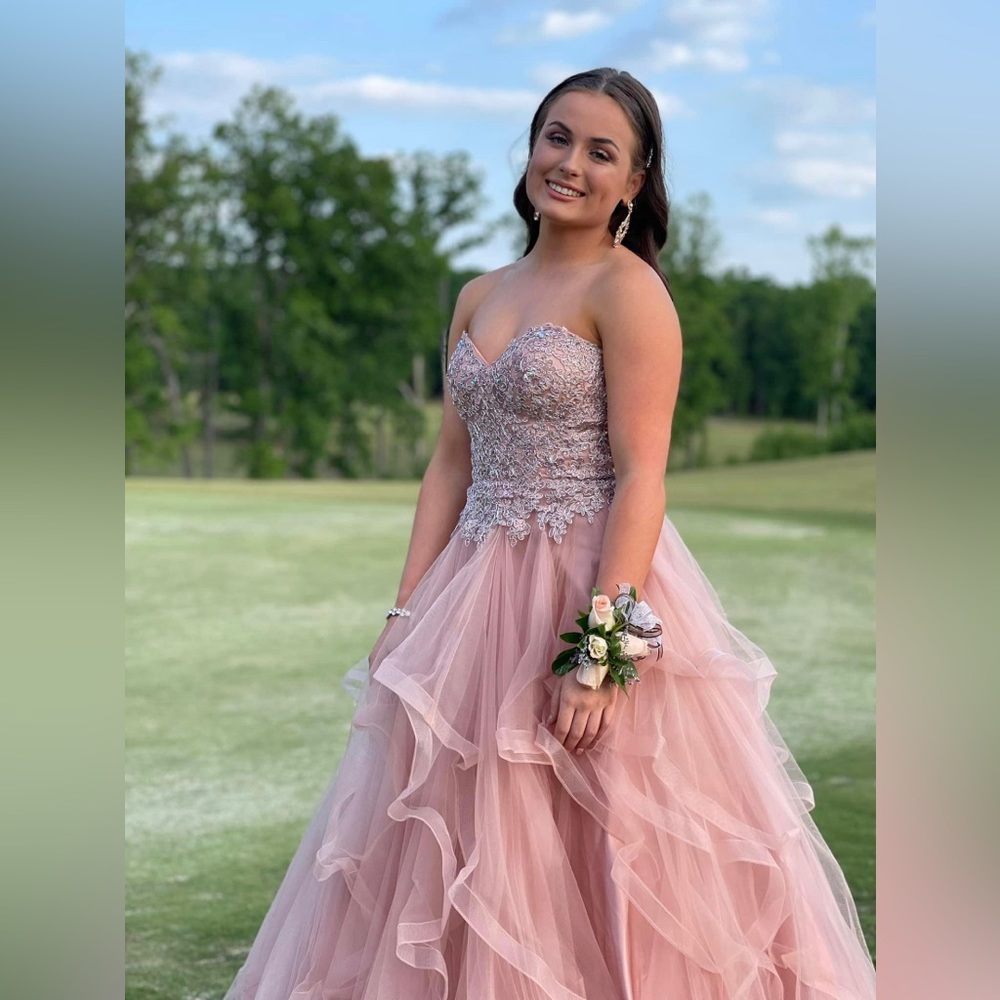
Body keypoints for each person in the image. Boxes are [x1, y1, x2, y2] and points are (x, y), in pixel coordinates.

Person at [224, 68, 876, 1000]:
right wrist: (406, 608)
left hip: (586, 588)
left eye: (600, 151)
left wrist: (606, 651)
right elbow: (451, 462)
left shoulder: (630, 291)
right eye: (556, 137)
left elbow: (644, 473)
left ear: (637, 181)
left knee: (602, 840)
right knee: (465, 838)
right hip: (472, 600)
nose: (569, 163)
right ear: (531, 147)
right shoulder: (478, 292)